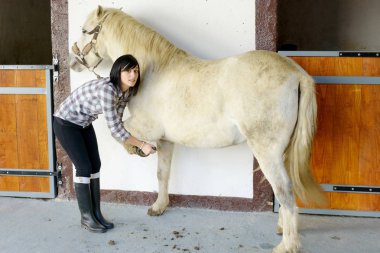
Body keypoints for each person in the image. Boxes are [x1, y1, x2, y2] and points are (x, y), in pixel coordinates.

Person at [53, 54, 156, 233]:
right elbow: (115, 129)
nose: (133, 75)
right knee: (84, 167)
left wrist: (132, 146)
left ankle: (96, 214)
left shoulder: (125, 92)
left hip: (84, 123)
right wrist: (141, 145)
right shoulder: (107, 90)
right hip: (66, 122)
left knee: (96, 165)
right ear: (118, 71)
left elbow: (118, 122)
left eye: (136, 71)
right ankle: (86, 218)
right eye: (128, 71)